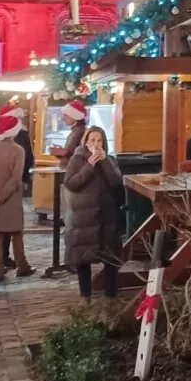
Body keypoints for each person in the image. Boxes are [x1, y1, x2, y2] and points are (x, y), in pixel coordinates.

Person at [63, 126, 125, 303]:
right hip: (84, 216)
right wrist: (90, 165)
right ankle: (85, 296)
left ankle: (111, 296)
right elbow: (71, 183)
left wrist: (105, 163)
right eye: (92, 140)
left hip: (106, 215)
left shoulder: (110, 160)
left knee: (110, 257)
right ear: (86, 142)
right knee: (83, 258)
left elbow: (117, 183)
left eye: (99, 141)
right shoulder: (77, 159)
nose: (96, 144)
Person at [0, 110, 33, 282]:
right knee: (16, 233)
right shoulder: (18, 150)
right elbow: (15, 177)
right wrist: (3, 195)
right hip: (11, 198)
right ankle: (22, 265)